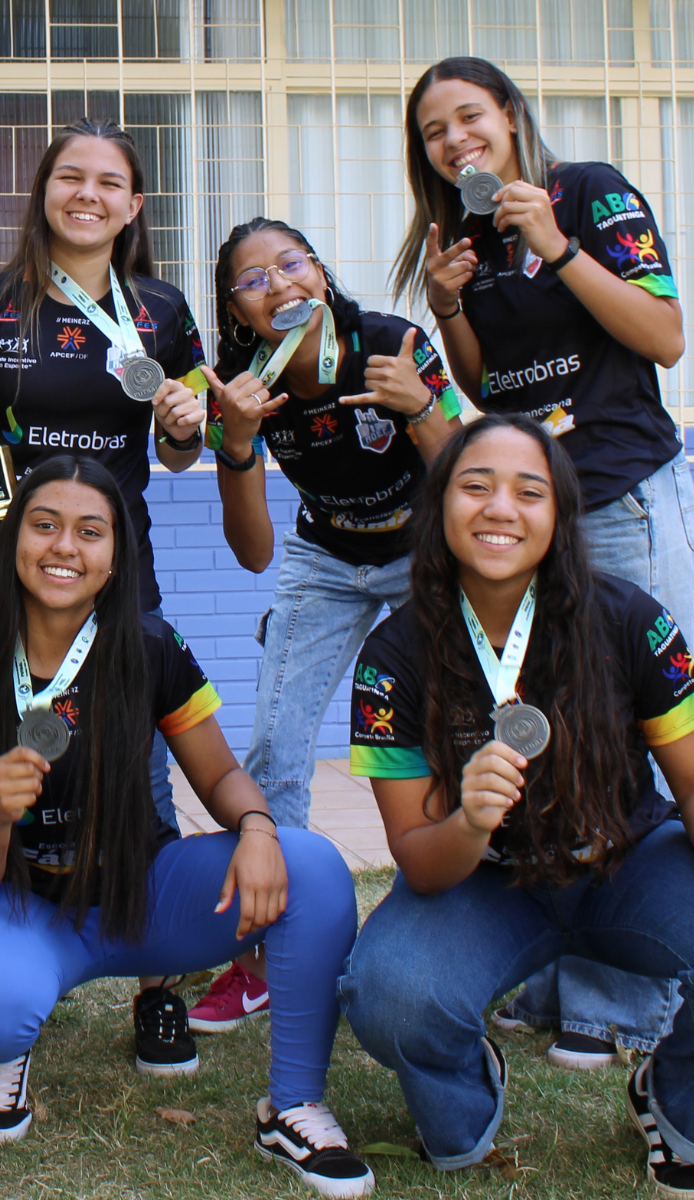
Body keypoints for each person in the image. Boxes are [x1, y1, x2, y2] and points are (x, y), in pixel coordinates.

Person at [341, 414, 694, 1194]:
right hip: (482, 884)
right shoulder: (395, 654)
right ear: (440, 508)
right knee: (390, 993)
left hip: (624, 863)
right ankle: (467, 1091)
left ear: (560, 516)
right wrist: (467, 820)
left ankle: (679, 1105)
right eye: (476, 486)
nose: (501, 507)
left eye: (530, 492)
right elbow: (420, 863)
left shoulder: (627, 617)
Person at [0, 456, 374, 1200]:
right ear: (10, 538)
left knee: (309, 867)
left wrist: (255, 826)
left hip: (141, 896)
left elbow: (218, 777)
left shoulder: (151, 643)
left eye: (91, 532)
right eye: (45, 525)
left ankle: (292, 1106)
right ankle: (7, 1046)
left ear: (117, 554)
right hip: (25, 912)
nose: (66, 547)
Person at [397, 55, 694, 1070]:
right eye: (433, 131)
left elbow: (660, 336)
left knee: (630, 723)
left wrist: (558, 246)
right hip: (538, 514)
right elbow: (494, 389)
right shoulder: (464, 237)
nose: (452, 141)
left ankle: (624, 994)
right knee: (548, 725)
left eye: (466, 117)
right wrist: (445, 309)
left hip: (620, 492)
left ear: (511, 116)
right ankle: (550, 966)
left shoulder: (589, 192)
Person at [0, 117, 210, 1067]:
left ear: (134, 205)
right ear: (43, 193)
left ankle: (158, 984)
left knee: (140, 767)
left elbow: (181, 450)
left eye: (108, 181)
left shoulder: (162, 310)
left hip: (114, 578)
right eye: (69, 177)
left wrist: (181, 421)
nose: (87, 194)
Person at [186, 217, 462, 1032]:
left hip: (426, 557)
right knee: (273, 744)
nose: (280, 285)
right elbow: (254, 551)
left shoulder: (392, 343)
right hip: (323, 561)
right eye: (254, 279)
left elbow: (469, 476)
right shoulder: (236, 381)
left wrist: (419, 410)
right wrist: (234, 442)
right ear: (237, 314)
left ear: (321, 271)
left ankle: (457, 927)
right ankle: (268, 955)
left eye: (292, 264)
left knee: (451, 735)